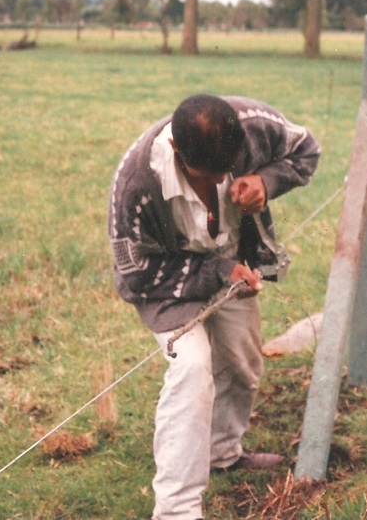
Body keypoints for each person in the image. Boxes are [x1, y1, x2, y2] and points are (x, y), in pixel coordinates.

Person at [108, 94, 320, 520]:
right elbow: (137, 276)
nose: (216, 186)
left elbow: (307, 150)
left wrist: (267, 181)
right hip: (165, 282)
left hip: (230, 262)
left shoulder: (254, 124)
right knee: (192, 367)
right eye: (204, 178)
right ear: (175, 151)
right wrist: (219, 272)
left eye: (226, 173)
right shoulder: (136, 185)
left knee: (242, 359)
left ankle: (222, 453)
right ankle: (177, 509)